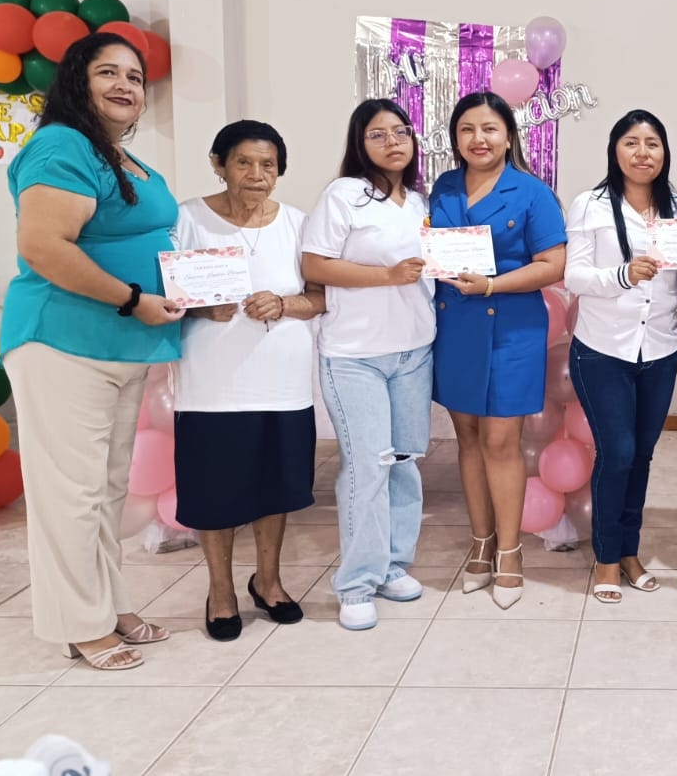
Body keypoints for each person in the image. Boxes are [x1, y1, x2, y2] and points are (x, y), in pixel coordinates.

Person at [0, 32, 184, 670]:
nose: (124, 85)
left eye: (134, 76)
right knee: (70, 494)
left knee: (106, 492)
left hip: (120, 346)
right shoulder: (61, 145)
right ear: (77, 81)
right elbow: (44, 246)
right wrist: (133, 298)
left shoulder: (117, 155)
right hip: (64, 341)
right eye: (108, 72)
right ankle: (80, 624)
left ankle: (110, 605)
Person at [174, 120, 327, 640]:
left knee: (276, 487)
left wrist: (284, 303)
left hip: (283, 385)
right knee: (214, 492)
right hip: (211, 388)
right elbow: (164, 295)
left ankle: (268, 580)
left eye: (268, 165)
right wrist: (199, 309)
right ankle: (220, 591)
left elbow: (320, 298)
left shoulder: (299, 224)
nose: (256, 174)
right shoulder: (186, 219)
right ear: (219, 165)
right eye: (243, 162)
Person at [301, 98, 436, 632]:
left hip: (414, 350)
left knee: (403, 462)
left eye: (400, 132)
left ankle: (392, 565)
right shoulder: (344, 194)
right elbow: (314, 264)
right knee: (367, 468)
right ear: (359, 144)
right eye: (377, 134)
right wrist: (387, 276)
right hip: (355, 355)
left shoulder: (419, 201)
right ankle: (356, 584)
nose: (392, 142)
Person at [430, 91, 567, 610]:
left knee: (502, 441)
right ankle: (481, 542)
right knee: (467, 437)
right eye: (467, 129)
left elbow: (552, 265)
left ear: (508, 136)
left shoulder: (532, 191)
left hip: (511, 328)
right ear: (455, 138)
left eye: (489, 129)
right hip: (455, 328)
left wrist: (491, 285)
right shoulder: (443, 187)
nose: (478, 139)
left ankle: (510, 551)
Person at [564, 110, 677, 604]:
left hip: (660, 348)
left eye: (652, 143)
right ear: (615, 151)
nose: (642, 153)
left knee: (642, 455)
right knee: (617, 453)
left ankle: (630, 551)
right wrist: (623, 275)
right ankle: (607, 558)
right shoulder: (590, 205)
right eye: (631, 142)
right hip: (603, 349)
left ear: (664, 153)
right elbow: (573, 276)